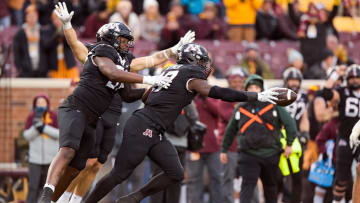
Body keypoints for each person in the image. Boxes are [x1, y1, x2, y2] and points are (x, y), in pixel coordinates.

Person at [83, 43, 282, 203]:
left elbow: (147, 97)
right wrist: (257, 96)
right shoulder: (189, 74)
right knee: (119, 174)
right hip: (144, 126)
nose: (205, 66)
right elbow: (218, 92)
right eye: (203, 62)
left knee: (175, 172)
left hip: (154, 128)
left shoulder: (171, 70)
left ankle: (133, 198)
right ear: (194, 61)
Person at [39, 1, 193, 202]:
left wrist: (172, 52)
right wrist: (67, 26)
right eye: (122, 39)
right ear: (110, 39)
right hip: (76, 107)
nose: (126, 44)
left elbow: (147, 65)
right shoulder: (102, 52)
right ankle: (46, 195)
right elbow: (88, 55)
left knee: (79, 166)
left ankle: (56, 201)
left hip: (95, 117)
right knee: (68, 150)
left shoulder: (123, 61)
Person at [221, 74, 298, 203]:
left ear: (261, 89)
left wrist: (289, 144)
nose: (254, 90)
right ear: (246, 89)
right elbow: (230, 129)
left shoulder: (274, 104)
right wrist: (224, 149)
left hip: (271, 154)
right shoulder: (240, 107)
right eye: (250, 87)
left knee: (270, 188)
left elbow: (290, 124)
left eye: (256, 87)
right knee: (247, 188)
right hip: (248, 154)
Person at [322, 64, 360, 203]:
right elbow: (326, 92)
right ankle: (337, 201)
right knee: (342, 177)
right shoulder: (343, 92)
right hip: (345, 138)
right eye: (351, 77)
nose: (354, 80)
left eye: (357, 77)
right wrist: (335, 74)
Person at [150, 101, 201, 203]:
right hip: (179, 145)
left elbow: (145, 115)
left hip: (160, 144)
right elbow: (194, 118)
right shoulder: (186, 98)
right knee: (175, 180)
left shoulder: (158, 93)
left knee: (157, 179)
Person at [217, 68, 248, 203]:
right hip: (230, 147)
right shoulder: (225, 98)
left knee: (249, 179)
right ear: (229, 82)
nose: (237, 84)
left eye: (240, 81)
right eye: (234, 81)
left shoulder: (247, 97)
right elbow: (233, 118)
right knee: (228, 179)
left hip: (247, 146)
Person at [23, 94, 59, 203]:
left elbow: (59, 134)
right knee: (33, 187)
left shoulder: (54, 116)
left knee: (47, 187)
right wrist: (36, 127)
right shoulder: (31, 116)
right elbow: (26, 135)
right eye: (38, 103)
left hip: (51, 159)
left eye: (43, 102)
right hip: (35, 159)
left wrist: (43, 128)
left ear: (47, 103)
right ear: (35, 104)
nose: (40, 105)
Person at [187, 95, 222, 203]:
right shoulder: (188, 98)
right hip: (194, 147)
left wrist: (205, 97)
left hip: (214, 147)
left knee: (217, 179)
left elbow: (218, 111)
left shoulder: (213, 96)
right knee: (194, 180)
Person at [282, 67, 309, 203]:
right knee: (278, 175)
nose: (294, 83)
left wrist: (305, 133)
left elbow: (304, 116)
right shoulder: (278, 93)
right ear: (286, 81)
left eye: (296, 81)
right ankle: (284, 199)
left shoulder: (303, 96)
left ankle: (295, 201)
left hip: (296, 138)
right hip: (280, 137)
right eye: (291, 80)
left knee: (297, 174)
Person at [13, 5, 47, 77]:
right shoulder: (21, 32)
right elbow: (16, 51)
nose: (32, 18)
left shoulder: (41, 31)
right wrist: (19, 66)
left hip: (40, 69)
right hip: (26, 69)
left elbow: (46, 47)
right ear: (26, 17)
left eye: (34, 16)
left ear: (37, 17)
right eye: (30, 16)